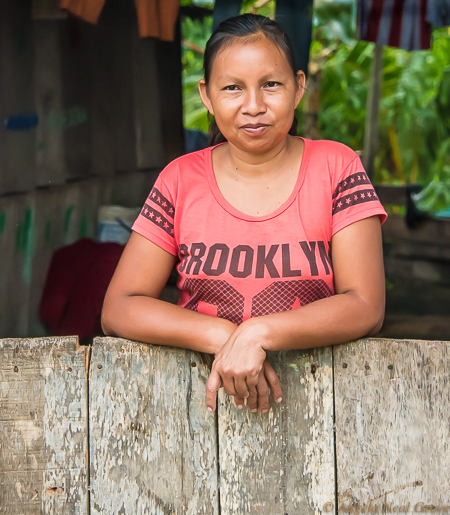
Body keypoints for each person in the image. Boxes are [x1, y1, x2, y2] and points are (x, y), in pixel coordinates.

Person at [101, 14, 387, 415]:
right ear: (207, 95)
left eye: (271, 85)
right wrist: (223, 335)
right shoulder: (180, 180)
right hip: (197, 411)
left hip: (326, 407)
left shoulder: (336, 168)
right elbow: (119, 307)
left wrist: (258, 332)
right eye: (233, 88)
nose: (254, 106)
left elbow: (366, 306)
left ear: (299, 87)